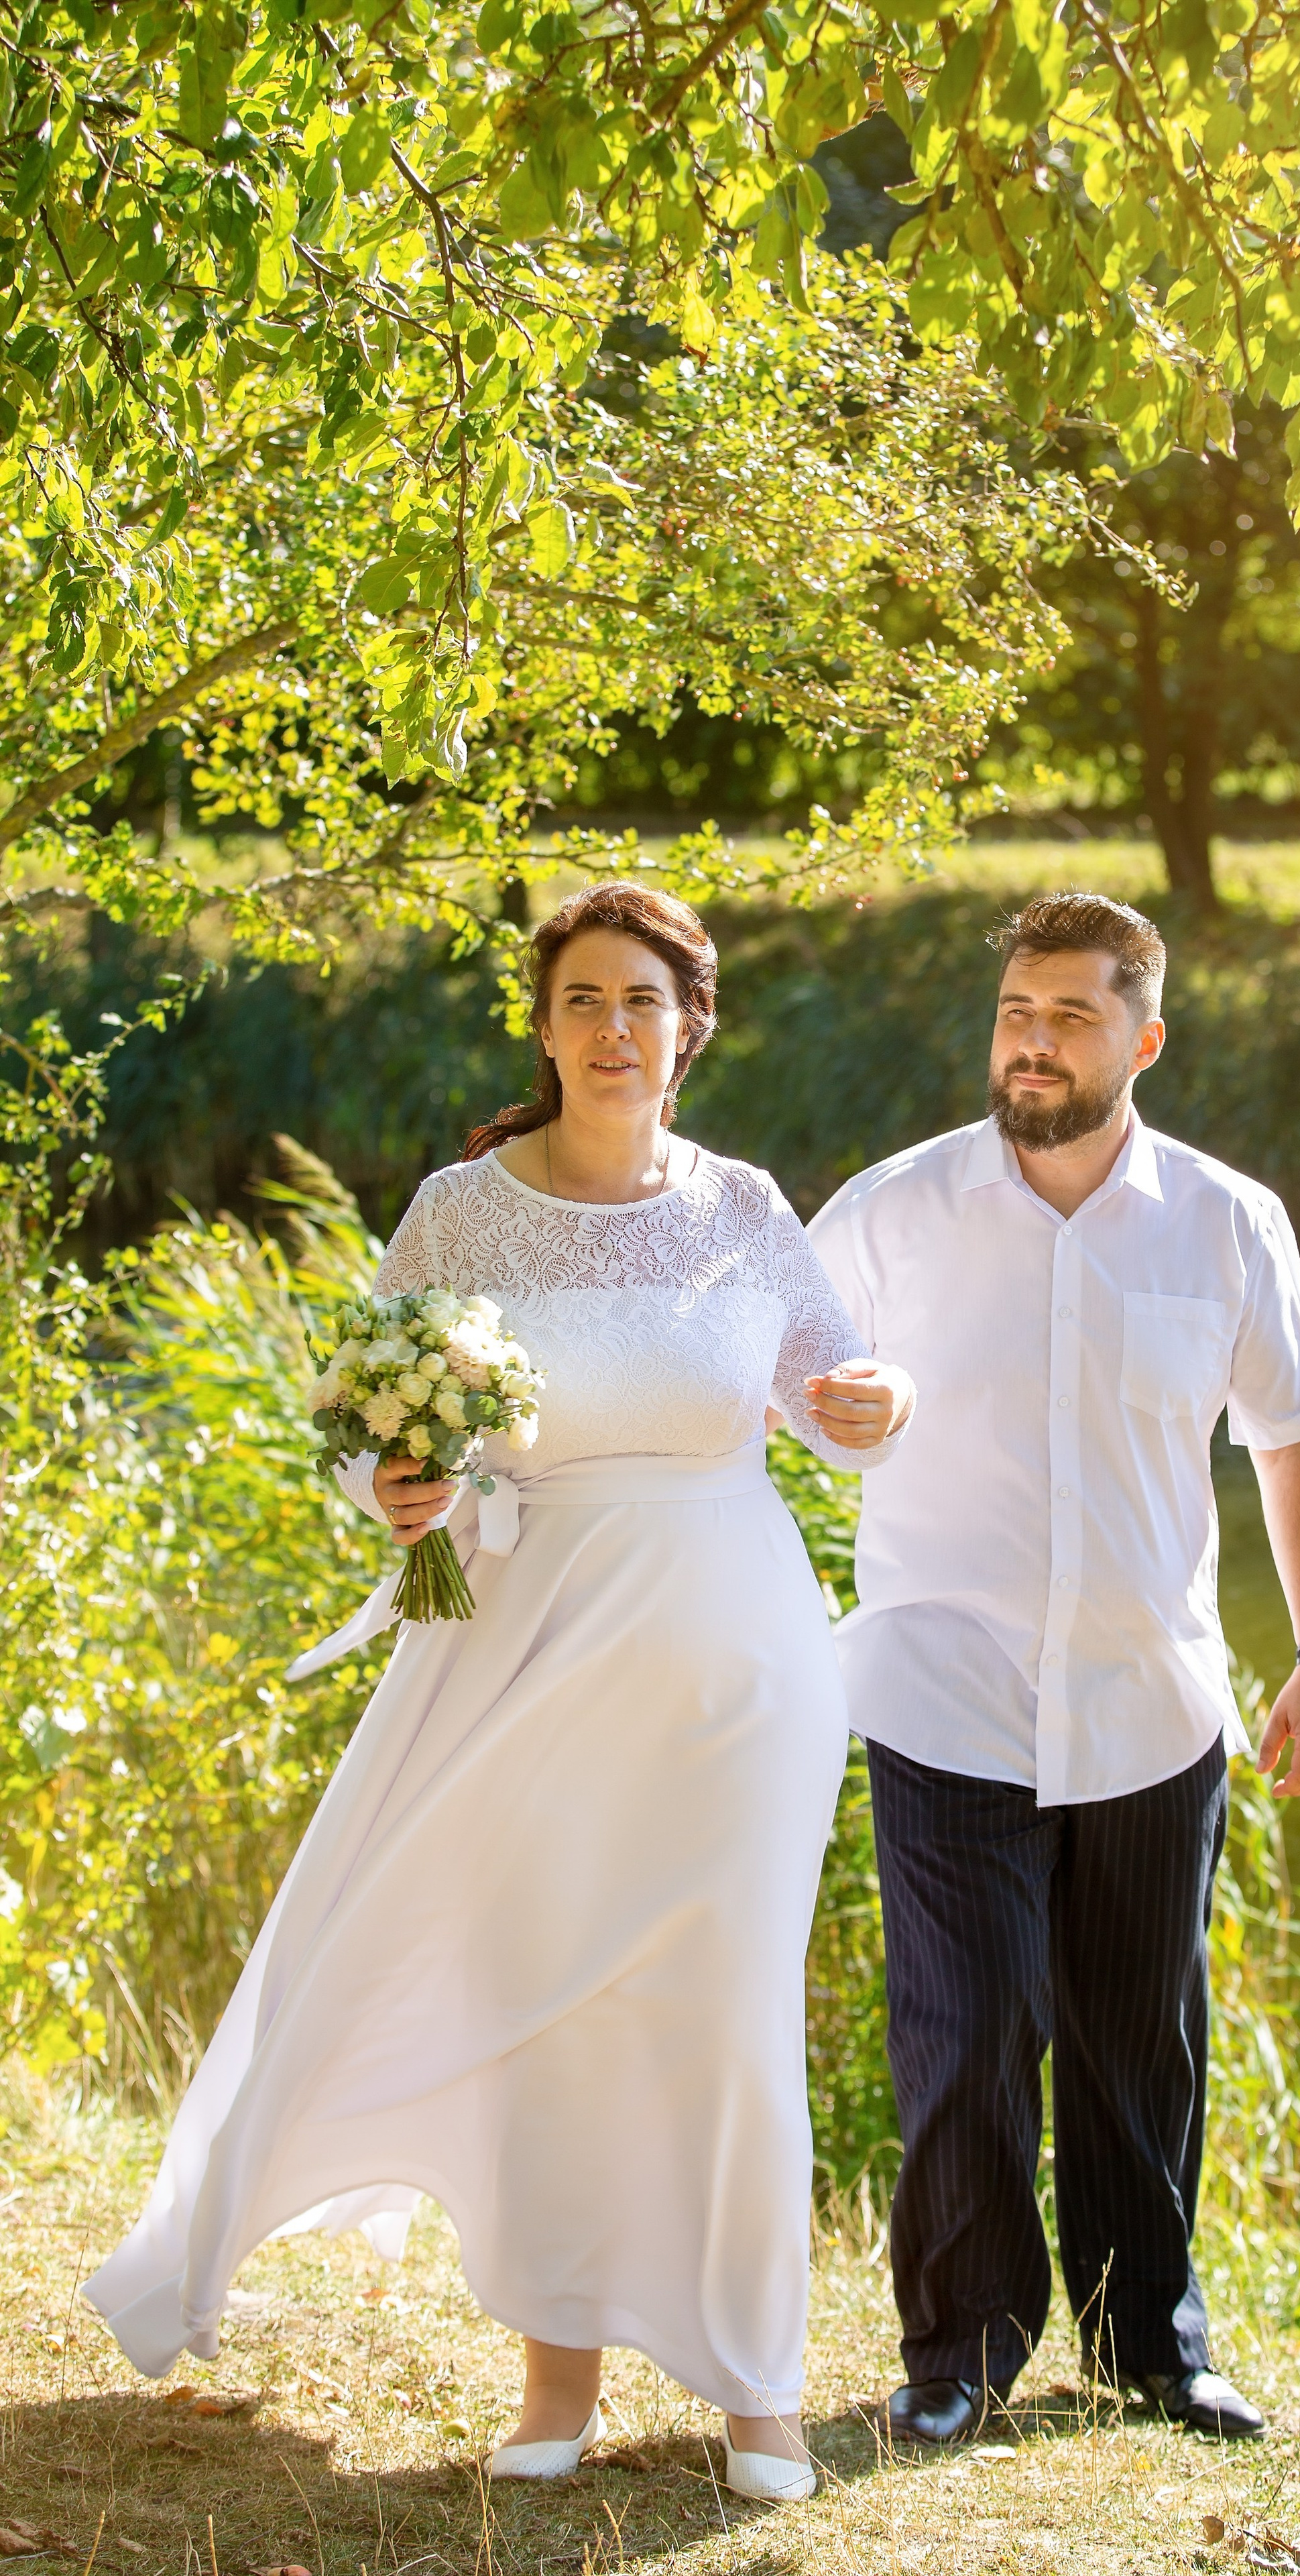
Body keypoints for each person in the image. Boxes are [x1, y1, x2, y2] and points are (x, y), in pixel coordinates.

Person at [85, 882, 914, 2506]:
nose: (614, 1029)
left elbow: (838, 1406)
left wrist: (882, 1399)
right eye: (584, 1000)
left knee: (730, 2020)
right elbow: (367, 1432)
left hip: (737, 1669)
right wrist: (397, 1495)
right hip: (526, 1648)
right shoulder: (463, 1212)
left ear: (690, 1028)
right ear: (544, 1029)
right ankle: (558, 2372)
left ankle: (757, 2382)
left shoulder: (747, 1206)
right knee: (553, 2009)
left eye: (643, 1002)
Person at [808, 890, 1300, 2447]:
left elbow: (1293, 1436)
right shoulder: (890, 1210)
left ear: (1145, 1038)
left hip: (1147, 1698)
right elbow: (786, 1371)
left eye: (1068, 1016)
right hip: (939, 1687)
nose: (1031, 1043)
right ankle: (959, 2353)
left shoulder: (1226, 1221)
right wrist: (829, 1406)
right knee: (963, 2032)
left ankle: (1149, 2349)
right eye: (1013, 1014)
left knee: (1138, 2042)